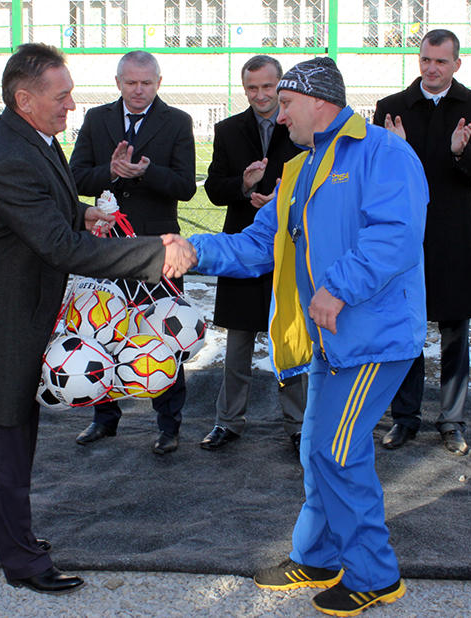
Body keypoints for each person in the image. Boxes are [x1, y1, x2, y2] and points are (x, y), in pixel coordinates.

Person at [177, 57, 429, 616]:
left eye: (287, 102)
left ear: (320, 102)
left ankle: (374, 575)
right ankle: (316, 556)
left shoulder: (384, 153)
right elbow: (256, 245)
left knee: (336, 452)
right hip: (328, 341)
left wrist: (337, 288)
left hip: (372, 338)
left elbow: (397, 234)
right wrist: (194, 249)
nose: (279, 113)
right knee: (319, 452)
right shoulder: (297, 169)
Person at [0, 43, 195, 595]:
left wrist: (83, 211)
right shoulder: (11, 155)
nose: (71, 104)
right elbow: (60, 248)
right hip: (4, 320)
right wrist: (156, 253)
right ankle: (22, 560)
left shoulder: (30, 138)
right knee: (8, 434)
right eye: (61, 96)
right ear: (25, 100)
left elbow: (50, 210)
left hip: (23, 310)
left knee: (10, 428)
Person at [373, 29, 471, 455]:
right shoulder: (392, 107)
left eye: (441, 62)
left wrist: (463, 152)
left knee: (454, 330)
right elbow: (375, 176)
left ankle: (452, 420)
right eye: (426, 59)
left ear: (456, 64)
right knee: (405, 327)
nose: (431, 68)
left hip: (453, 234)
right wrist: (394, 151)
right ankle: (404, 418)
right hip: (406, 235)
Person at [69, 50, 196, 455]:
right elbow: (74, 178)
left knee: (165, 334)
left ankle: (169, 425)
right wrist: (110, 172)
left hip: (158, 251)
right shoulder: (96, 119)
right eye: (131, 82)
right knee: (100, 331)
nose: (138, 90)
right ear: (118, 82)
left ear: (159, 82)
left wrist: (146, 172)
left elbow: (186, 187)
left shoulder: (177, 121)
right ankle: (104, 418)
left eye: (146, 83)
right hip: (105, 249)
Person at [200, 55, 306, 454]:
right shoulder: (228, 129)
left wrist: (280, 202)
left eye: (267, 87)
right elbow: (214, 188)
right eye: (252, 88)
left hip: (289, 245)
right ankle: (228, 422)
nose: (260, 95)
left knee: (290, 338)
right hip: (242, 247)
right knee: (238, 340)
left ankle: (299, 425)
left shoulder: (299, 126)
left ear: (281, 85)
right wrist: (244, 188)